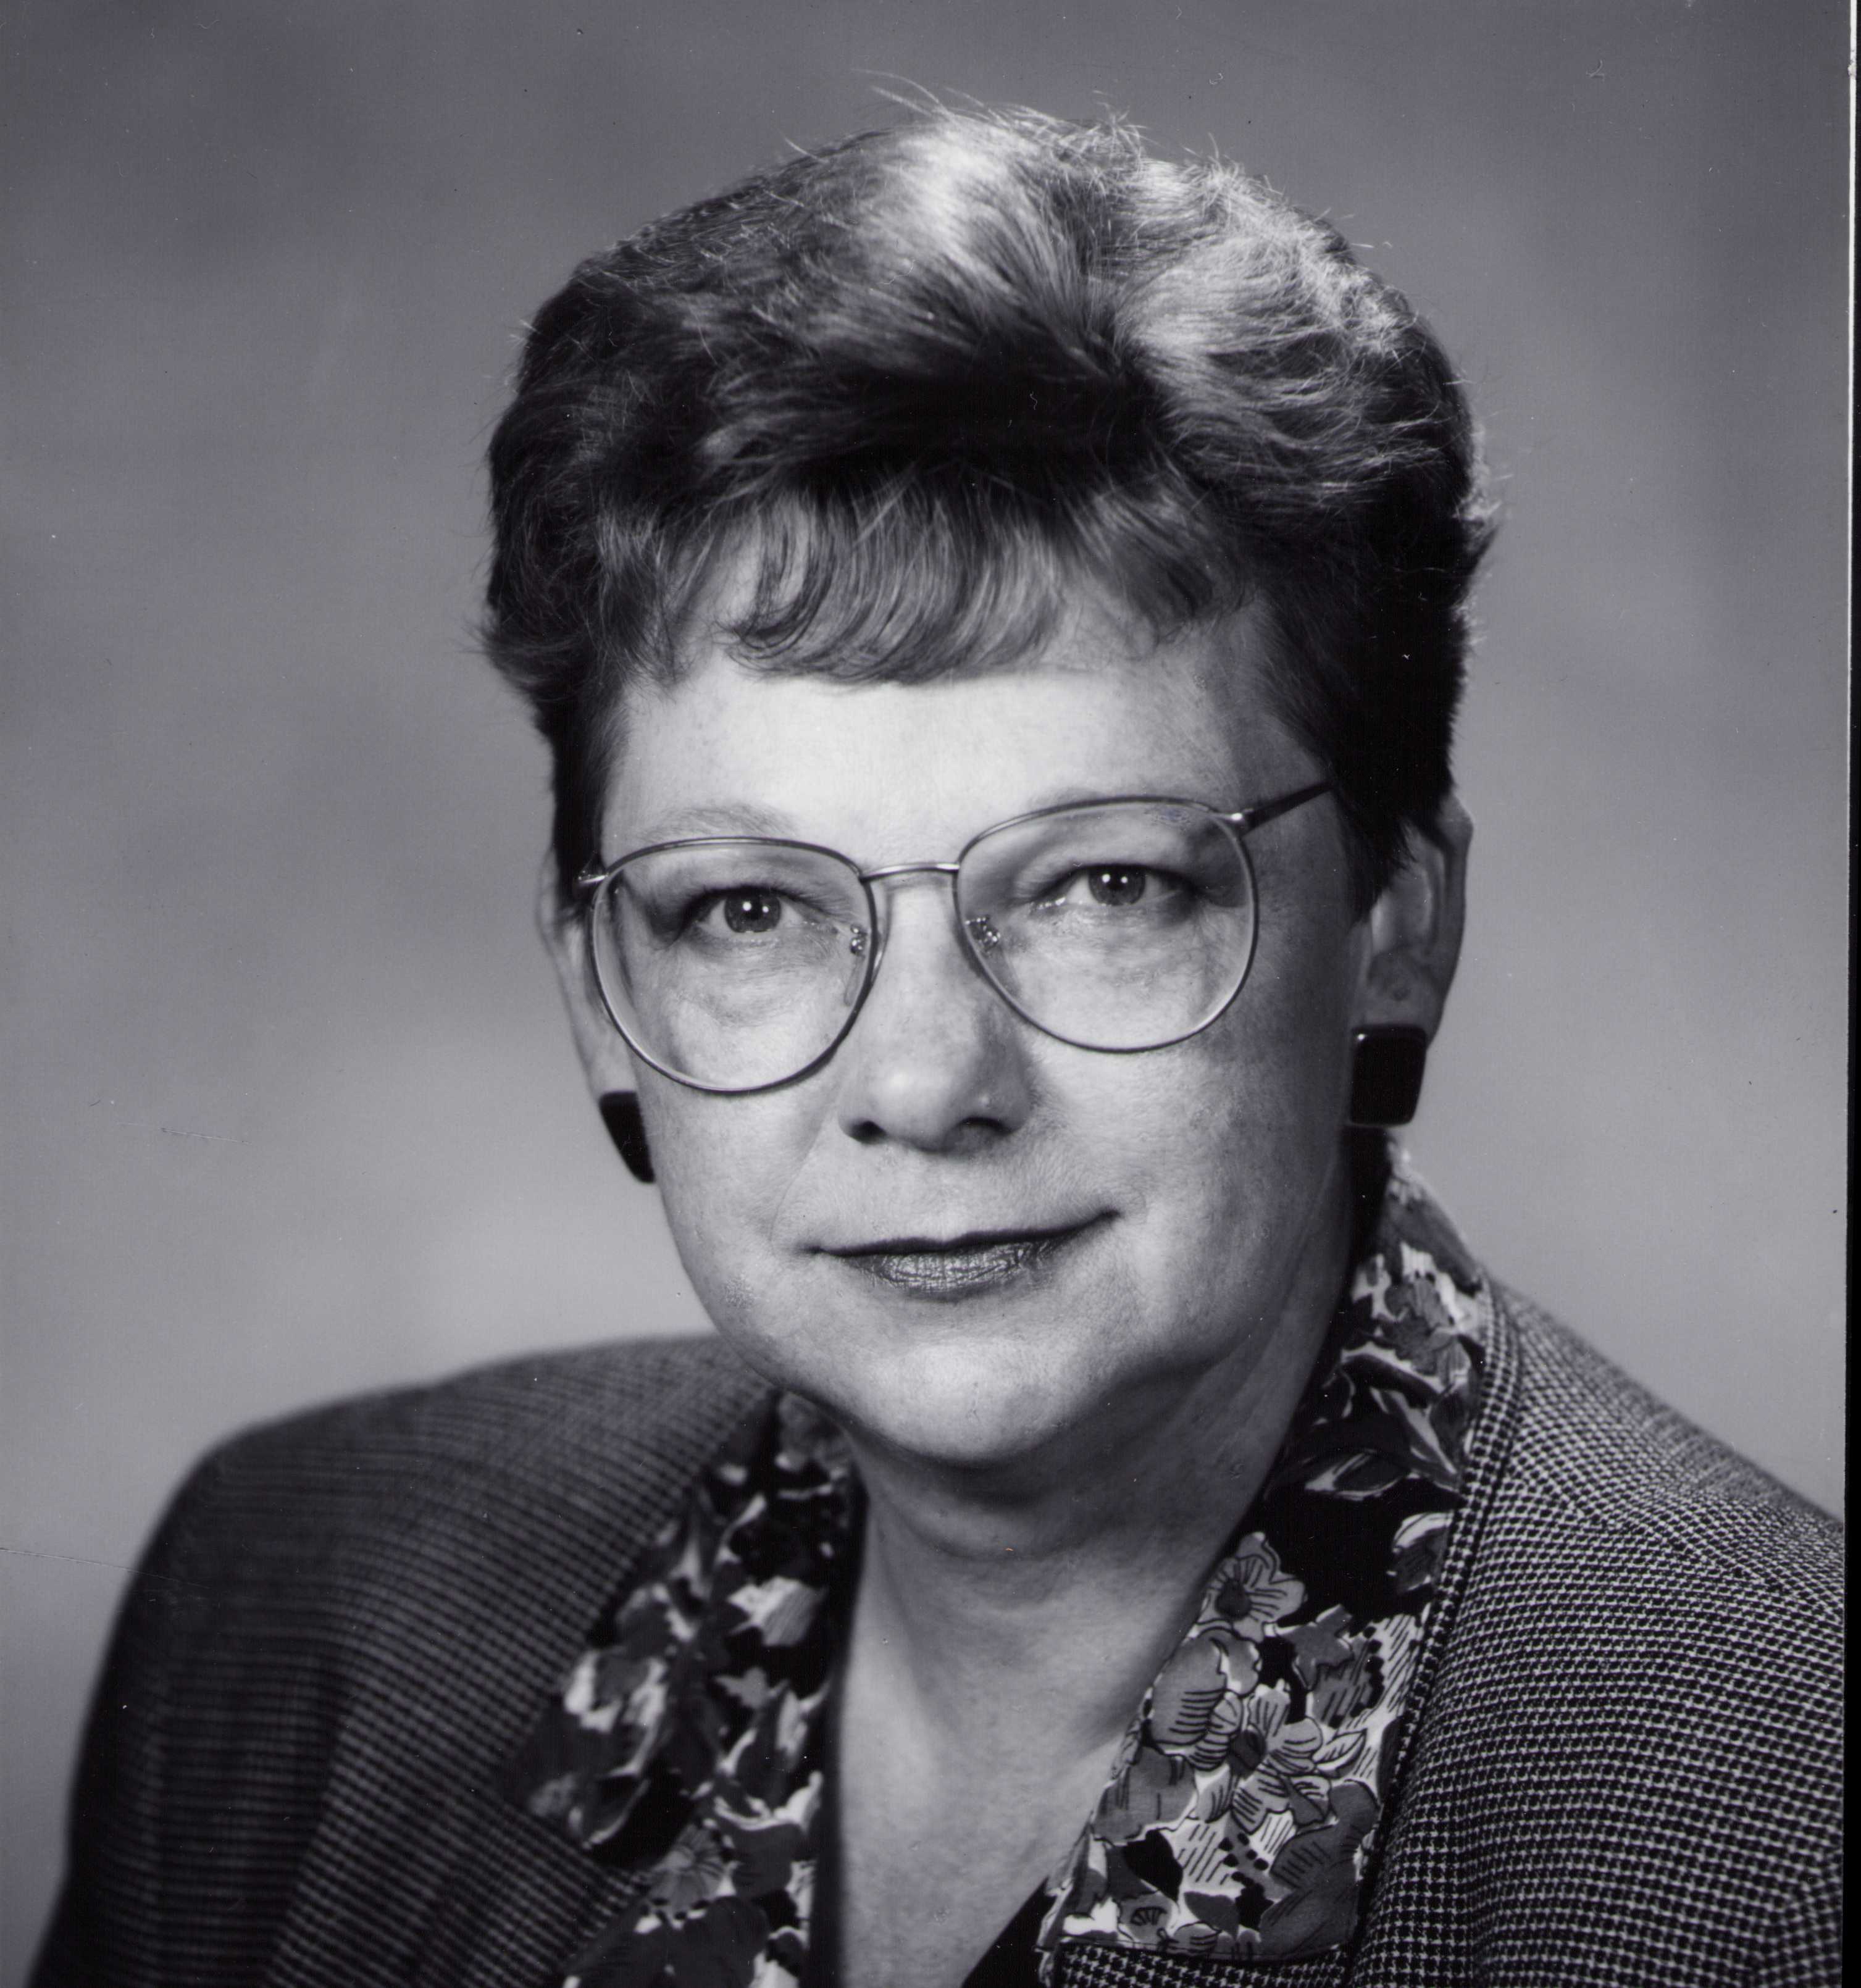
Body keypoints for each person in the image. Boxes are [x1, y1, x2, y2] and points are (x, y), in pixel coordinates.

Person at [33, 105, 1839, 1988]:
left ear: (1395, 927)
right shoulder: (290, 1621)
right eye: (751, 906)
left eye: (1108, 887)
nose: (922, 1082)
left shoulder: (1788, 1837)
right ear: (599, 988)